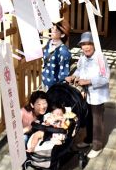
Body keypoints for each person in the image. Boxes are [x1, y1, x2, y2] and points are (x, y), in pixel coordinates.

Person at [65, 31, 110, 159]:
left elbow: (105, 78)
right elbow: (79, 70)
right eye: (83, 44)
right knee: (88, 117)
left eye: (88, 44)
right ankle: (89, 139)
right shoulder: (82, 57)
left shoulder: (100, 58)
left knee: (97, 121)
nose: (86, 47)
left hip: (98, 95)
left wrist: (88, 81)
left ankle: (97, 146)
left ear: (94, 45)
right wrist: (73, 76)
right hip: (86, 94)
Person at [42, 20, 71, 90]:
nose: (52, 31)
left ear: (62, 35)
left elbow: (64, 72)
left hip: (55, 85)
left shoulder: (64, 51)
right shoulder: (49, 43)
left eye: (56, 30)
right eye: (52, 28)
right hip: (45, 79)